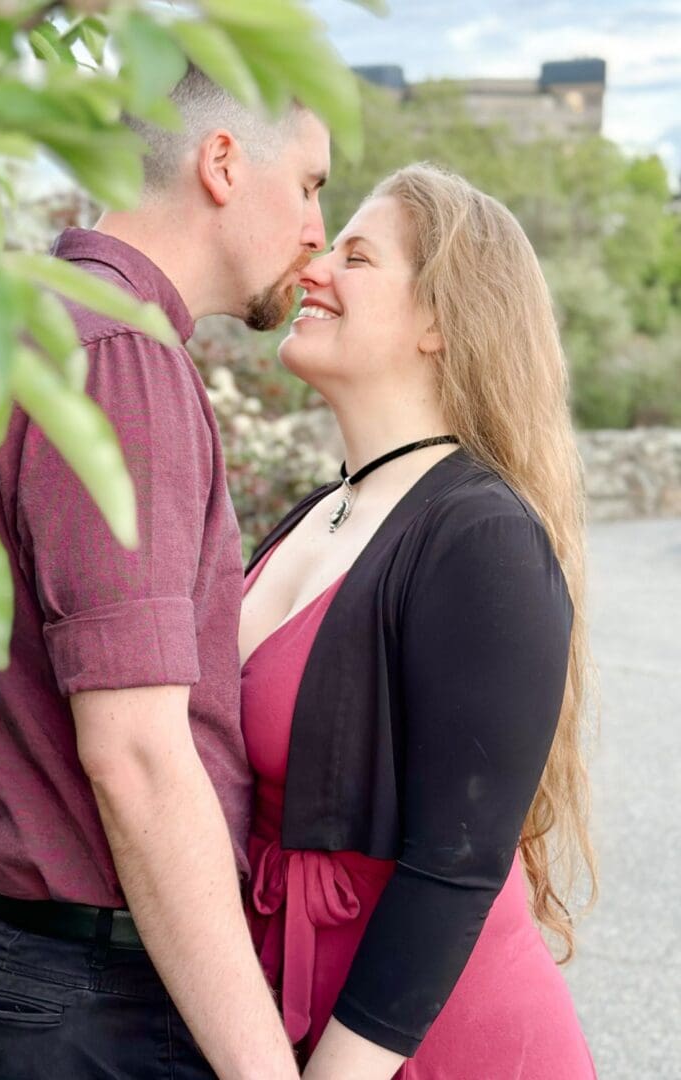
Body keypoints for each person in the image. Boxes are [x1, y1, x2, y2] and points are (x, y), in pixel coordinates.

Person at [0, 65, 330, 1080]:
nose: (319, 230)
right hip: (100, 989)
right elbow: (136, 755)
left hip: (32, 958)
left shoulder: (33, 319)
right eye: (311, 185)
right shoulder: (118, 360)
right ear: (221, 163)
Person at [238, 163, 598, 1078]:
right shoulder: (323, 511)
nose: (314, 268)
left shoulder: (482, 537)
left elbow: (454, 870)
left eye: (357, 257)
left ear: (441, 321)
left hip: (426, 1049)